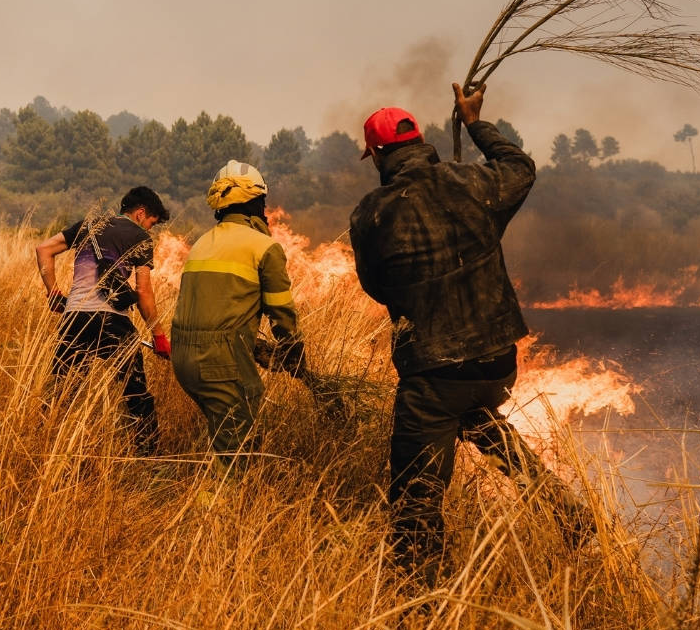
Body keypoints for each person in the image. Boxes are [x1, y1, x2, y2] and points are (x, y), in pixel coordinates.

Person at [349, 83, 591, 586]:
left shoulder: (371, 213)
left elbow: (376, 287)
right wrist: (478, 123)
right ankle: (563, 510)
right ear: (419, 140)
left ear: (376, 155)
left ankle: (418, 592)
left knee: (416, 493)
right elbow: (521, 168)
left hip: (436, 369)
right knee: (478, 418)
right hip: (497, 362)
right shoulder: (474, 183)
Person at [170, 160, 304, 466]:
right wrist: (293, 352)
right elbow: (281, 312)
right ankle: (215, 508)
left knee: (229, 431)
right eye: (263, 202)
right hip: (221, 363)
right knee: (237, 454)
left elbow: (213, 307)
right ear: (255, 202)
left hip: (184, 360)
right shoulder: (263, 247)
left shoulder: (201, 244)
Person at [35, 186, 171, 456]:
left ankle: (45, 448)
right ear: (140, 213)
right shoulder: (140, 237)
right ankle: (148, 455)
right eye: (152, 223)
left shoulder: (90, 225)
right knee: (135, 393)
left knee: (62, 391)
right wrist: (158, 335)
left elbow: (43, 249)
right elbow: (143, 292)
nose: (151, 229)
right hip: (113, 321)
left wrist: (53, 293)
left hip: (74, 318)